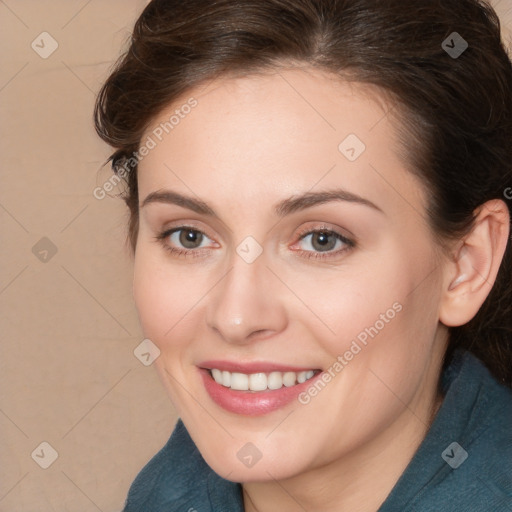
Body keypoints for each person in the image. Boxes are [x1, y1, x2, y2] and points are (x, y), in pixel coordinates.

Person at [94, 0, 512, 510]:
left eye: (322, 239)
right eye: (189, 236)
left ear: (466, 266)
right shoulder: (165, 492)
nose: (237, 316)